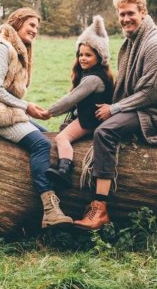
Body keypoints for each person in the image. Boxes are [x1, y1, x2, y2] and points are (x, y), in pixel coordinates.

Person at [74, 0, 157, 230]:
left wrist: (115, 108)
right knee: (90, 121)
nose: (125, 19)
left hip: (153, 113)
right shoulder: (132, 41)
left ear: (143, 13)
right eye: (121, 14)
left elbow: (152, 92)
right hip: (136, 105)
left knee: (105, 132)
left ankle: (100, 208)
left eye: (130, 13)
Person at [0, 8, 73, 228]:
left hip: (4, 110)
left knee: (49, 136)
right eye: (31, 25)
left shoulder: (15, 48)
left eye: (37, 27)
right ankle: (50, 211)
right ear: (17, 22)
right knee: (41, 144)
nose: (35, 31)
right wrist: (26, 107)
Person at [45, 15, 115, 190]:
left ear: (99, 57)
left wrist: (49, 112)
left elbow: (71, 99)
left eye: (88, 55)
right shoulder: (93, 74)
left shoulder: (93, 79)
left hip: (90, 120)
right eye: (81, 54)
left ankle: (64, 170)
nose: (83, 58)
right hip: (89, 118)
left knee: (62, 138)